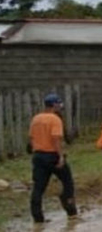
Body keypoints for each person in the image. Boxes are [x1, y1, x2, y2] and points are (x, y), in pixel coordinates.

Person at [28, 94, 78, 223]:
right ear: (54, 105)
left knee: (38, 187)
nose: (61, 107)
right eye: (59, 104)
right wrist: (60, 156)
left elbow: (31, 138)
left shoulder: (36, 118)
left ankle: (37, 217)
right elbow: (56, 139)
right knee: (68, 182)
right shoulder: (55, 119)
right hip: (52, 155)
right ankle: (70, 209)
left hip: (38, 155)